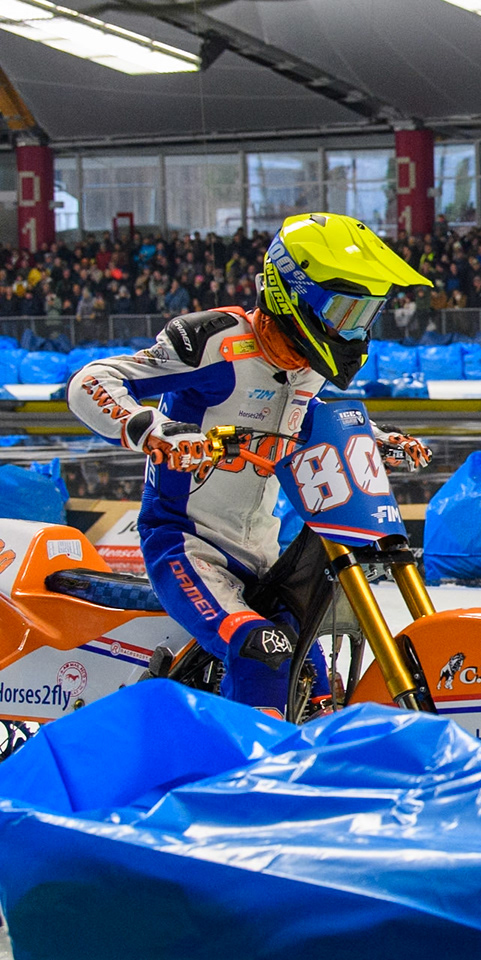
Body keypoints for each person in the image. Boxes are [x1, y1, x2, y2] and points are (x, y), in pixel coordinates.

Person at [67, 212, 433, 715]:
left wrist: (379, 437)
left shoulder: (305, 369)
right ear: (294, 295)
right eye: (345, 312)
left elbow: (307, 421)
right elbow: (92, 380)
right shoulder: (214, 343)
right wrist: (151, 428)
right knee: (265, 652)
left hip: (263, 554)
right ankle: (246, 786)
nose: (355, 331)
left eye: (365, 316)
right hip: (186, 544)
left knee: (315, 682)